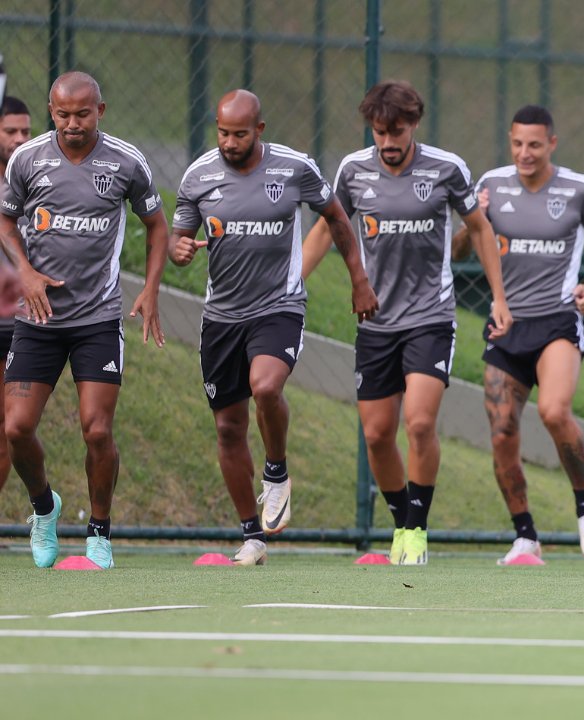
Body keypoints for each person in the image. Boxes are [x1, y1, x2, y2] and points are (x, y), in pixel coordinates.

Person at [171, 89, 377, 566]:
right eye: (222, 132)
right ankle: (252, 536)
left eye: (239, 134)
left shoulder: (294, 168)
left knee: (265, 387)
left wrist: (359, 278)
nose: (229, 142)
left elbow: (336, 218)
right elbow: (180, 236)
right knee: (227, 428)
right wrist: (180, 250)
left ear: (258, 130)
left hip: (278, 306)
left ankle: (277, 470)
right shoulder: (198, 176)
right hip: (221, 316)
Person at [303, 81, 506, 566]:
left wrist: (499, 297)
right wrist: (293, 282)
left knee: (418, 422)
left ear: (414, 125)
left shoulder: (446, 168)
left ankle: (417, 528)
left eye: (397, 132)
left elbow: (478, 226)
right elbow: (327, 226)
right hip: (375, 322)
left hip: (430, 317)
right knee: (376, 434)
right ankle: (400, 521)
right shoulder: (353, 171)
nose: (388, 143)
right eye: (379, 133)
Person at [0, 72, 168, 569]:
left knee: (96, 431)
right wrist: (25, 272)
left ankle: (99, 531)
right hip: (38, 318)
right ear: (51, 112)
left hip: (97, 318)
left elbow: (156, 226)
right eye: (62, 115)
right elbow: (6, 221)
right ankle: (44, 507)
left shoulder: (125, 161)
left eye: (82, 114)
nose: (72, 124)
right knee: (16, 428)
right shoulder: (28, 160)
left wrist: (151, 289)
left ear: (101, 110)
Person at [453, 105, 584, 565]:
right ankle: (525, 537)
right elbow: (459, 251)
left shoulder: (580, 190)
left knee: (554, 410)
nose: (525, 154)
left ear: (552, 144)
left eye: (535, 145)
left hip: (558, 320)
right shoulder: (490, 185)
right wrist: (473, 220)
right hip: (507, 323)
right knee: (502, 432)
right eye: (518, 144)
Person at [0, 94, 32, 497]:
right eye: (10, 131)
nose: (20, 139)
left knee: (9, 430)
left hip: (22, 325)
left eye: (26, 131)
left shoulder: (40, 179)